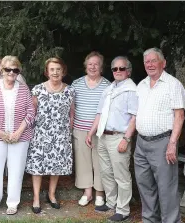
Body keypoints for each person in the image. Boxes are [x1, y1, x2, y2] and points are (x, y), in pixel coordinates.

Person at [135, 48, 185, 223]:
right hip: (141, 144)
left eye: (153, 60)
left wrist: (172, 144)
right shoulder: (141, 85)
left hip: (163, 143)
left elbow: (180, 116)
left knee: (167, 190)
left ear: (163, 63)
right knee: (145, 188)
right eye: (147, 61)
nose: (150, 64)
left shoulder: (173, 85)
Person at [85, 56, 138, 221]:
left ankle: (123, 210)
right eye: (115, 69)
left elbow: (135, 118)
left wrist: (126, 139)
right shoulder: (109, 88)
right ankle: (111, 202)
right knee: (106, 172)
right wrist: (90, 132)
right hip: (103, 136)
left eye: (121, 68)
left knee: (121, 175)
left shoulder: (131, 90)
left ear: (128, 71)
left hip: (119, 137)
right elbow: (100, 113)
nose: (118, 71)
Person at [0, 55, 35, 215]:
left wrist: (18, 132)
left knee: (16, 170)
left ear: (19, 71)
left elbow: (31, 113)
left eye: (15, 70)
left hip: (20, 137)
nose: (11, 72)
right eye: (8, 69)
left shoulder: (24, 89)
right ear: (1, 70)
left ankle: (12, 202)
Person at [25, 57, 75, 214]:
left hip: (61, 135)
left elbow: (71, 115)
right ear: (47, 72)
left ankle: (51, 195)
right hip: (41, 134)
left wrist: (68, 133)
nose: (55, 72)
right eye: (52, 69)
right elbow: (31, 114)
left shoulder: (70, 91)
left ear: (63, 71)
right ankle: (36, 198)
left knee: (57, 166)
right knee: (38, 167)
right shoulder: (38, 90)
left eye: (58, 69)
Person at [72, 51, 111, 207]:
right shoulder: (76, 83)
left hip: (99, 131)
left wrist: (93, 130)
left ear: (101, 68)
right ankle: (87, 193)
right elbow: (72, 108)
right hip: (79, 129)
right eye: (90, 64)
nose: (93, 67)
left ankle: (99, 193)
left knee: (99, 161)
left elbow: (106, 111)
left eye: (96, 64)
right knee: (83, 162)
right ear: (85, 66)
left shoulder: (108, 85)